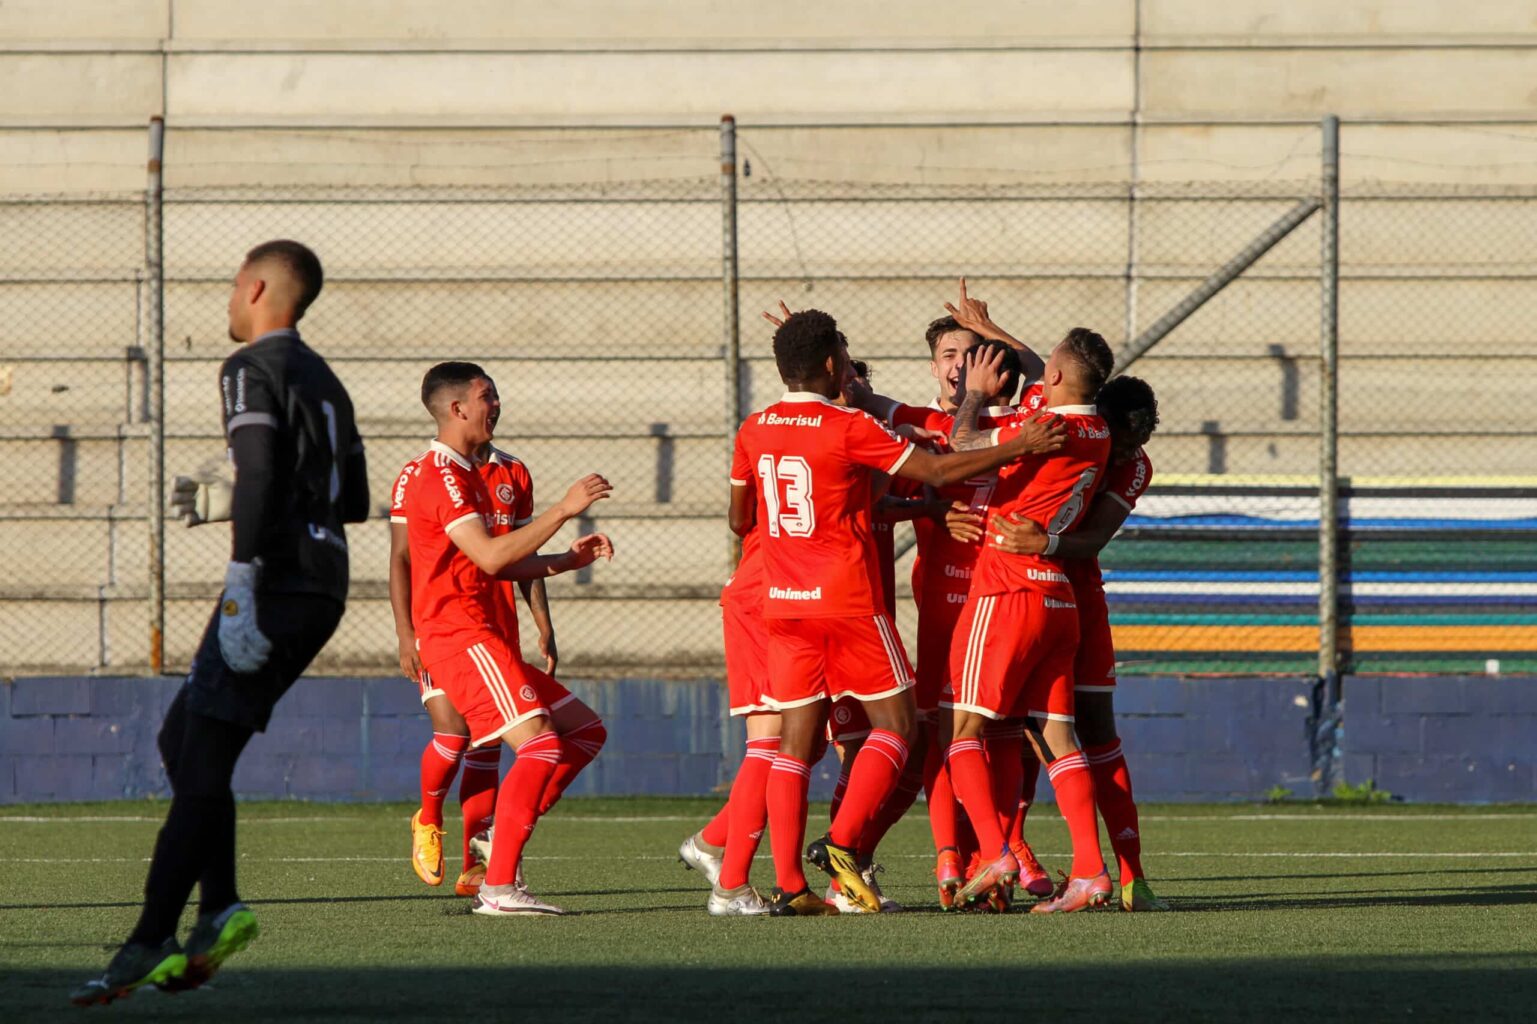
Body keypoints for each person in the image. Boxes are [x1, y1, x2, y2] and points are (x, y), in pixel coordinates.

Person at [72, 240, 370, 1005]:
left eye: (234, 287)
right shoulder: (326, 378)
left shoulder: (250, 367)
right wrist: (232, 506)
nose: (229, 302)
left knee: (197, 752)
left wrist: (240, 576)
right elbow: (356, 500)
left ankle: (152, 937)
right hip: (324, 582)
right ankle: (215, 906)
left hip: (274, 583)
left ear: (260, 286)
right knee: (188, 742)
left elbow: (263, 466)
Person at [730, 308, 1067, 916]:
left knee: (795, 744)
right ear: (833, 364)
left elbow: (740, 518)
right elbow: (937, 467)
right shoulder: (849, 426)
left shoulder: (753, 428)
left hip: (784, 604)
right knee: (903, 729)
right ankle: (841, 846)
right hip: (850, 600)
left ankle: (789, 885)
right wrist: (1020, 445)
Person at [399, 361, 614, 916]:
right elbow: (493, 554)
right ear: (457, 408)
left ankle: (497, 845)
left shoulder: (474, 474)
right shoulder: (440, 476)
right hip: (459, 634)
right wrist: (565, 510)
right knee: (538, 745)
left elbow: (495, 567)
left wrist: (565, 561)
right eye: (487, 395)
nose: (497, 404)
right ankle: (498, 884)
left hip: (482, 633)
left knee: (585, 731)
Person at [942, 331, 1118, 914]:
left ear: (1060, 381)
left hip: (1006, 590)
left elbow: (962, 440)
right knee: (1059, 739)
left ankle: (994, 851)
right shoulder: (1098, 431)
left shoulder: (1048, 431)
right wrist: (991, 331)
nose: (1039, 376)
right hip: (1058, 600)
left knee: (962, 731)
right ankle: (1091, 871)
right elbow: (1055, 374)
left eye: (1050, 369)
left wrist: (972, 393)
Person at [981, 374, 1169, 911]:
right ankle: (1032, 857)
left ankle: (1121, 873)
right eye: (1126, 434)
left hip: (1060, 591)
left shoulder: (1120, 458)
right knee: (1035, 732)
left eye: (1139, 438)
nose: (1131, 448)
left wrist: (1048, 541)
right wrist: (993, 333)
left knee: (1075, 730)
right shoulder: (1081, 428)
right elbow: (1051, 365)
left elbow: (1095, 538)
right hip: (1044, 590)